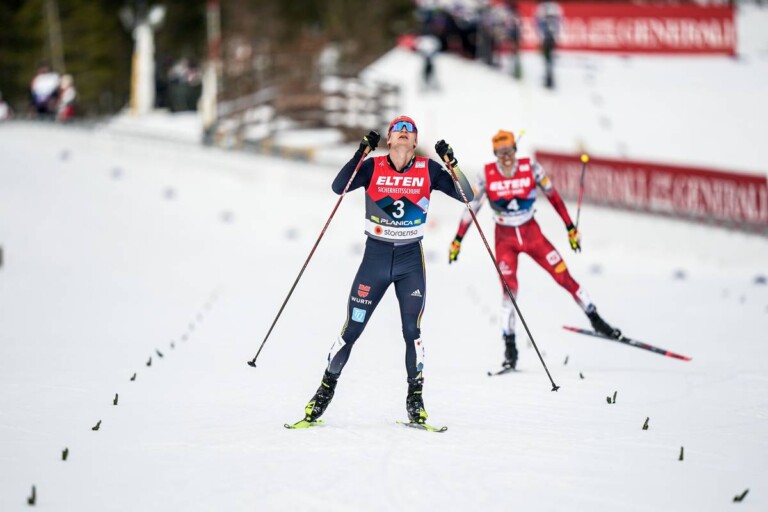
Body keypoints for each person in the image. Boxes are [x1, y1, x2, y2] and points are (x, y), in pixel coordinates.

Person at [295, 115, 474, 427]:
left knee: (411, 331)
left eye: (409, 130)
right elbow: (339, 187)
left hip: (409, 261)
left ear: (415, 141)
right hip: (375, 259)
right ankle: (324, 390)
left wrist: (452, 163)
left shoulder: (428, 169)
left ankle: (415, 400)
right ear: (389, 139)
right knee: (352, 329)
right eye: (398, 129)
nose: (403, 132)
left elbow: (466, 195)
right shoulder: (373, 165)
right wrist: (359, 153)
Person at [448, 130, 621, 370]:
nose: (506, 157)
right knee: (509, 292)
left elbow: (554, 197)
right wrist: (458, 239)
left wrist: (570, 228)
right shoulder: (486, 175)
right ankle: (510, 348)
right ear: (495, 154)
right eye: (500, 153)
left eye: (509, 151)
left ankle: (596, 318)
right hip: (505, 240)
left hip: (533, 235)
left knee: (564, 276)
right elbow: (471, 208)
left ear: (515, 151)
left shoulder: (532, 169)